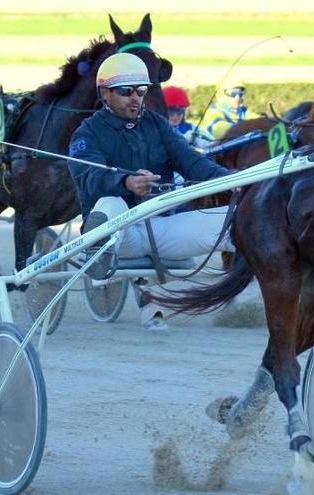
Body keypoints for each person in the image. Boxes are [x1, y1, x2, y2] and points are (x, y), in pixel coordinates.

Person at [68, 53, 235, 330]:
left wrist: (233, 181)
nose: (135, 97)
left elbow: (192, 162)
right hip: (121, 234)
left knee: (237, 219)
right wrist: (126, 183)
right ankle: (100, 252)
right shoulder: (86, 133)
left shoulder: (157, 124)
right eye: (125, 91)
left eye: (141, 90)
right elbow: (88, 177)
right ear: (105, 94)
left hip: (162, 230)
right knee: (111, 202)